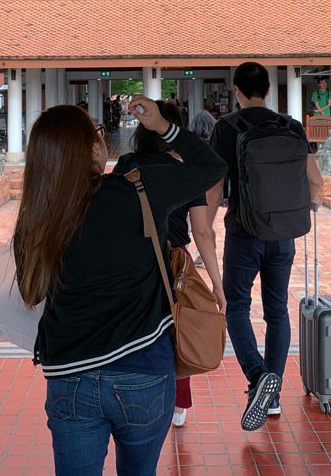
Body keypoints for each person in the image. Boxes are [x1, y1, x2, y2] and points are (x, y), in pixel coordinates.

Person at [14, 97, 227, 476]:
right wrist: (164, 127)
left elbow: (32, 294)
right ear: (93, 147)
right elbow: (212, 166)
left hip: (70, 376)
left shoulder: (36, 217)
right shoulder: (137, 189)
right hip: (143, 369)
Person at [209, 62, 324, 432]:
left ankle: (258, 378)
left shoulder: (226, 128)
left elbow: (214, 187)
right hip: (284, 235)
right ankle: (271, 397)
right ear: (268, 91)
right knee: (277, 311)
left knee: (236, 306)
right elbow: (315, 182)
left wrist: (205, 231)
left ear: (237, 91)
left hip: (244, 234)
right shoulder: (291, 126)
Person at [112, 101, 227, 430]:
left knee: (134, 327)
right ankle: (177, 403)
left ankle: (132, 395)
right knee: (178, 329)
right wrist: (216, 284)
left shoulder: (127, 164)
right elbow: (202, 231)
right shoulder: (187, 173)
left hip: (133, 260)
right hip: (175, 262)